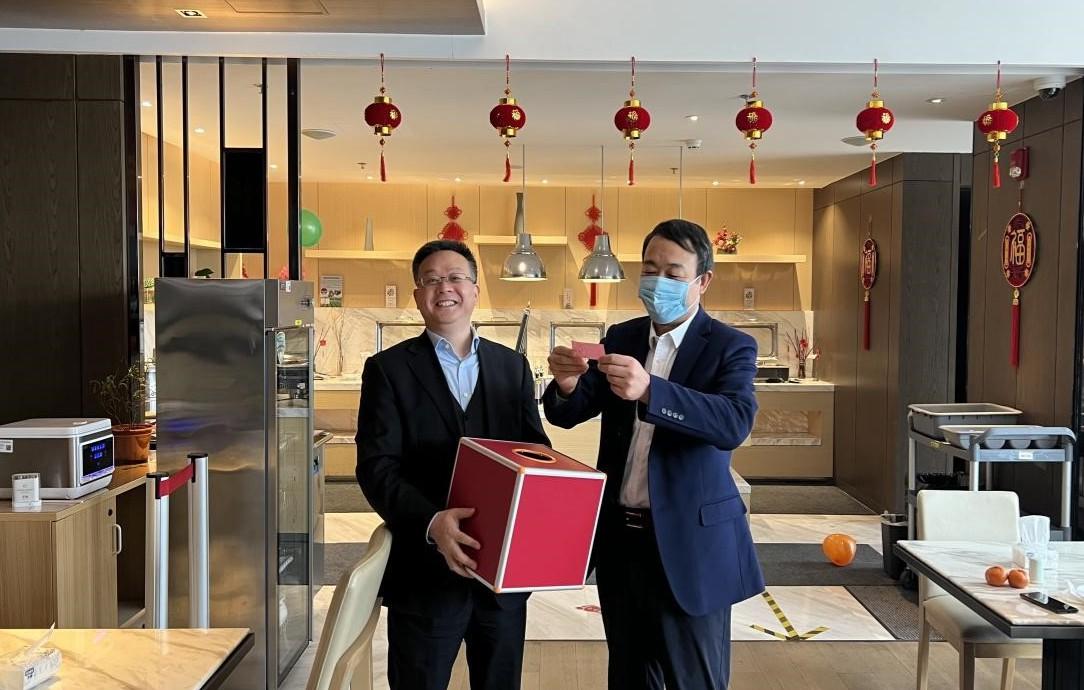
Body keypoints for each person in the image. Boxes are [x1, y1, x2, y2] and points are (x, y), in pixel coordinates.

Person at [544, 219, 764, 690]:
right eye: (650, 269)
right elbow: (571, 412)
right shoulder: (622, 337)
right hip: (621, 541)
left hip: (690, 544)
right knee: (629, 674)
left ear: (703, 281)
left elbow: (733, 423)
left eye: (673, 272)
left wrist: (651, 391)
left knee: (694, 680)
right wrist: (566, 385)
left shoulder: (731, 346)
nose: (658, 281)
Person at [355, 239, 550, 690]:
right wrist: (431, 522)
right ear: (417, 295)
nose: (445, 287)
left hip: (502, 580)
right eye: (431, 280)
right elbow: (377, 466)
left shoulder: (512, 367)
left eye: (456, 277)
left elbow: (536, 452)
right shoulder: (387, 369)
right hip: (424, 575)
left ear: (475, 290)